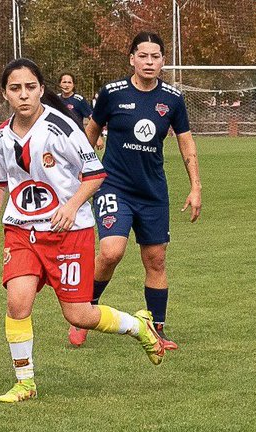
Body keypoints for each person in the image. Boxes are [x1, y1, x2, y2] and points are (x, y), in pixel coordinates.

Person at [0, 59, 166, 403]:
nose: (24, 95)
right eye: (15, 88)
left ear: (41, 88)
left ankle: (138, 326)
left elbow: (95, 174)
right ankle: (25, 382)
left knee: (79, 315)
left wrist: (70, 206)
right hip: (21, 231)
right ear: (5, 94)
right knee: (17, 302)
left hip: (69, 233)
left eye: (30, 87)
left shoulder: (62, 129)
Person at [71, 31, 202, 349]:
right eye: (143, 56)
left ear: (162, 61)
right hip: (113, 185)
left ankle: (156, 328)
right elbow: (91, 131)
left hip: (153, 191)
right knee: (112, 252)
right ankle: (85, 312)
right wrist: (82, 171)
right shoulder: (112, 94)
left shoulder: (172, 99)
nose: (149, 61)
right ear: (132, 59)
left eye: (155, 56)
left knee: (156, 260)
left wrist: (195, 186)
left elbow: (185, 142)